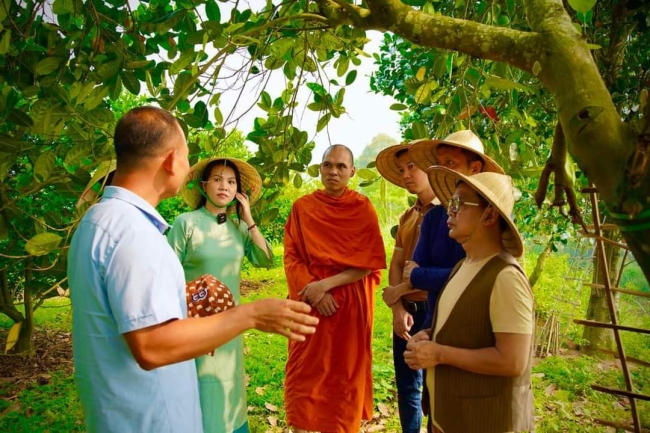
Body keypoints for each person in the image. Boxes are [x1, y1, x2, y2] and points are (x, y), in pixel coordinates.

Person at [67, 106, 318, 433]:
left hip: (119, 412)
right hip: (151, 419)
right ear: (172, 160)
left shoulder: (98, 221)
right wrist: (252, 315)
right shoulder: (135, 234)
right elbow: (152, 345)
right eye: (186, 156)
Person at [404, 168, 534, 433]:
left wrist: (439, 353)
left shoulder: (505, 277)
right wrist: (429, 335)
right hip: (451, 418)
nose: (449, 211)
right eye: (451, 203)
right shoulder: (462, 266)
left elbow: (512, 361)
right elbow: (465, 327)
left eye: (459, 204)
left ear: (489, 215)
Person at [283, 144, 386, 432]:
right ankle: (302, 426)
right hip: (310, 304)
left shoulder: (362, 208)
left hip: (348, 305)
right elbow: (291, 256)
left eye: (341, 166)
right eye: (328, 165)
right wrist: (311, 289)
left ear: (352, 172)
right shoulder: (302, 208)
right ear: (319, 169)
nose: (333, 171)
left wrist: (325, 286)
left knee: (344, 376)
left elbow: (369, 262)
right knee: (304, 373)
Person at [167, 156, 273, 433]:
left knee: (229, 385)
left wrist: (248, 218)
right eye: (217, 179)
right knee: (199, 387)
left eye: (230, 182)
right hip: (194, 324)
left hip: (231, 326)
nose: (223, 186)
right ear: (203, 185)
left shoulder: (238, 228)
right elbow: (165, 275)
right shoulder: (185, 223)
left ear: (238, 191)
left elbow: (265, 259)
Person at [375, 143, 435, 433]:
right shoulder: (407, 216)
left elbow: (445, 268)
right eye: (401, 170)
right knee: (408, 389)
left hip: (436, 309)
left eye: (412, 166)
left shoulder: (449, 212)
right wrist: (398, 307)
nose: (406, 175)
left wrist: (398, 292)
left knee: (435, 389)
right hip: (407, 312)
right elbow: (396, 263)